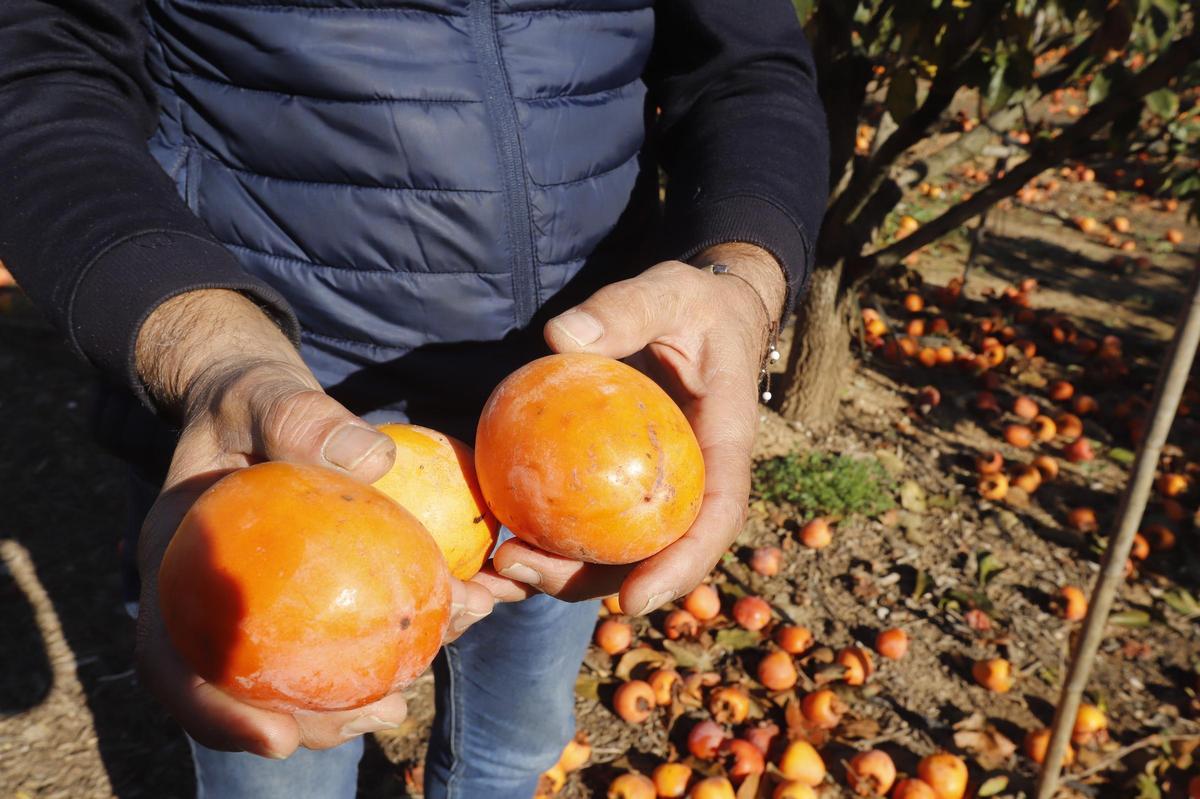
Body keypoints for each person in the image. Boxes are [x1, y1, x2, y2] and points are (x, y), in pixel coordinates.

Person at [0, 0, 829, 795]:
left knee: (514, 746)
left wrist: (743, 271)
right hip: (274, 450)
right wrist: (193, 337)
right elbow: (36, 63)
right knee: (282, 767)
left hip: (572, 452)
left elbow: (747, 65)